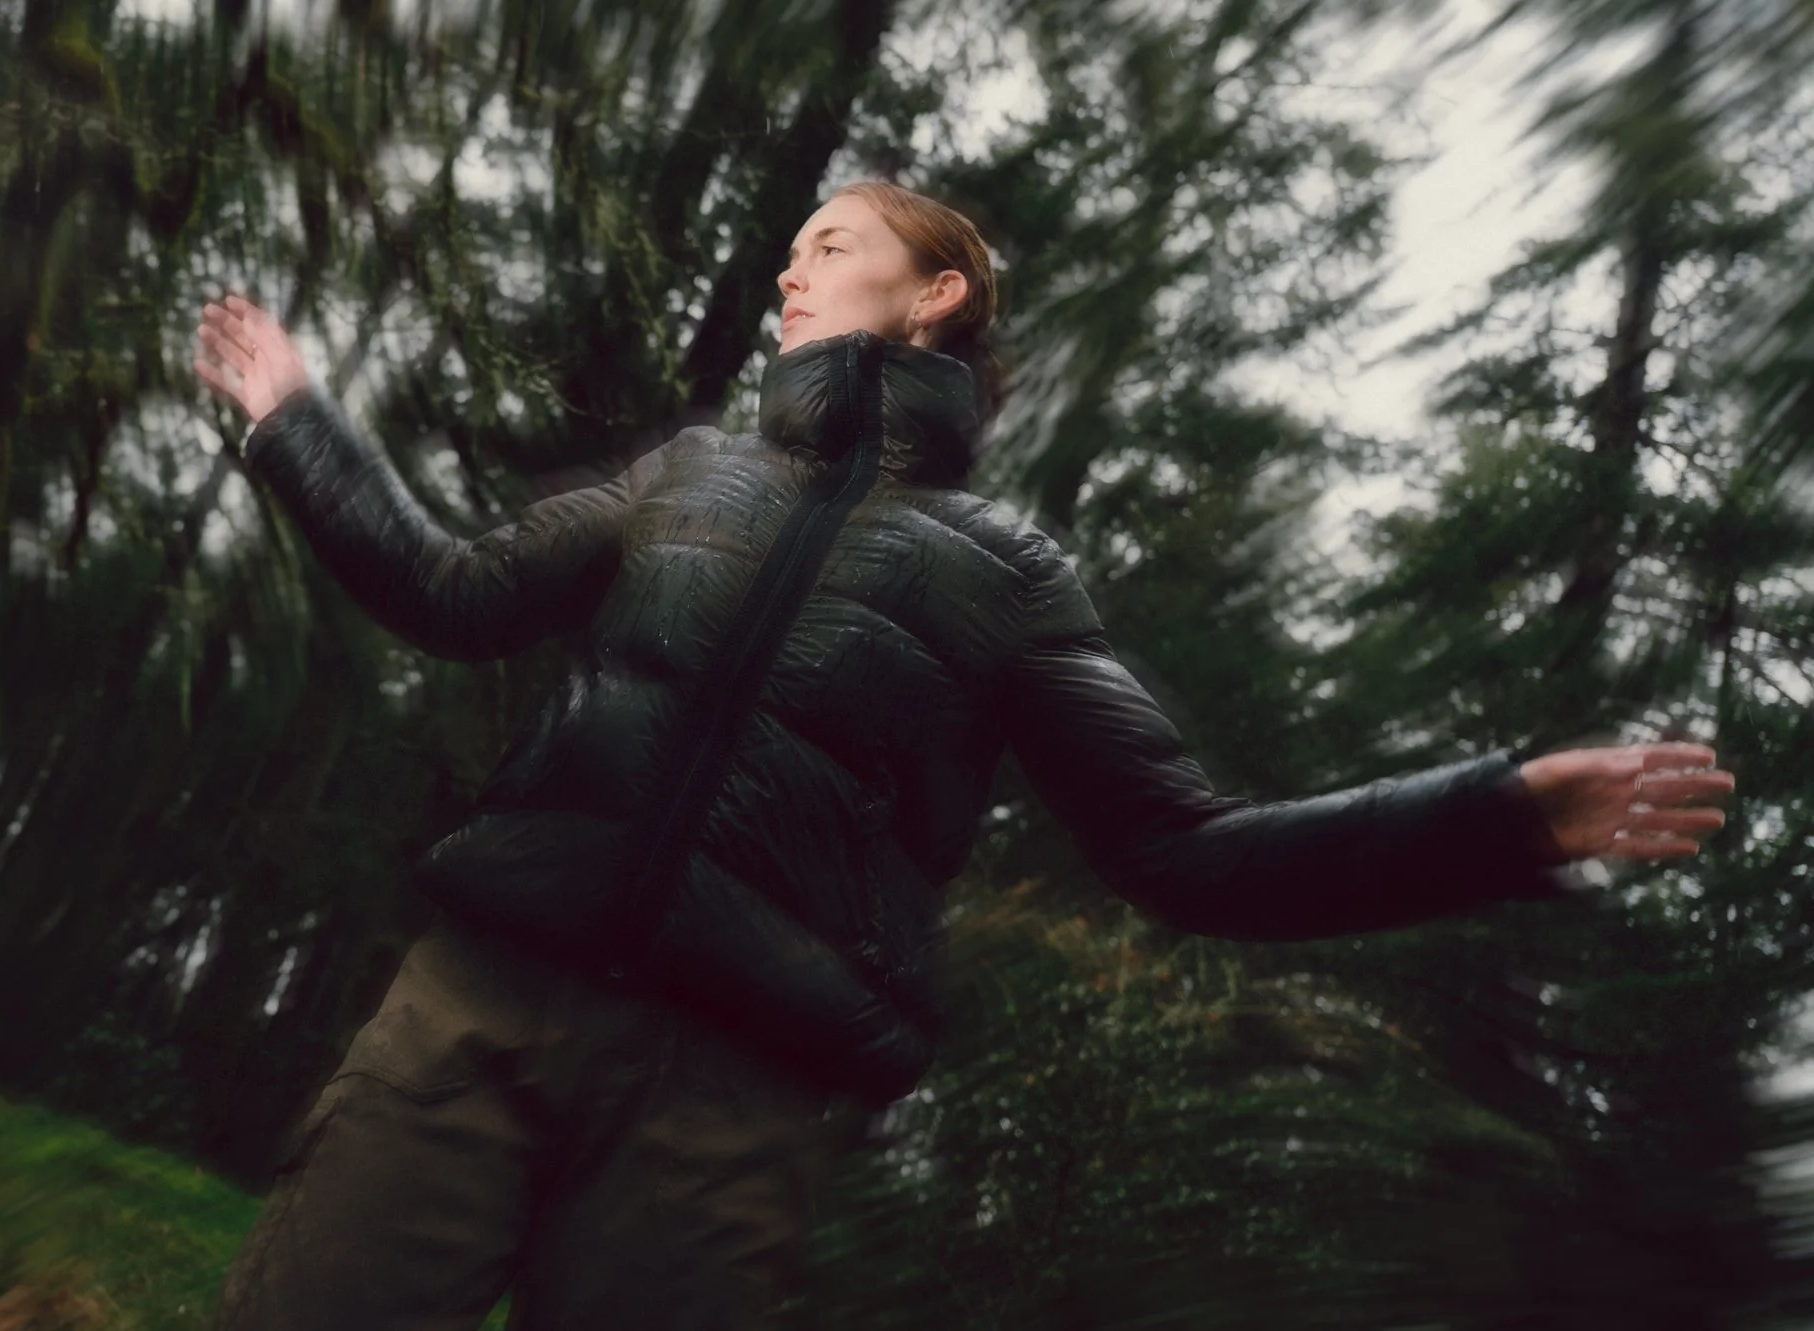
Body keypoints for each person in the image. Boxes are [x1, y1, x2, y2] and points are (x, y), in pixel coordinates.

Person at [191, 180, 1734, 1331]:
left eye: (833, 242)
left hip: (730, 1107)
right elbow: (448, 591)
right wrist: (296, 422)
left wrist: (1498, 819)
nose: (793, 264)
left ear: (936, 296)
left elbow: (1183, 851)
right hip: (478, 1014)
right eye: (792, 246)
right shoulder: (684, 476)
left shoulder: (1006, 572)